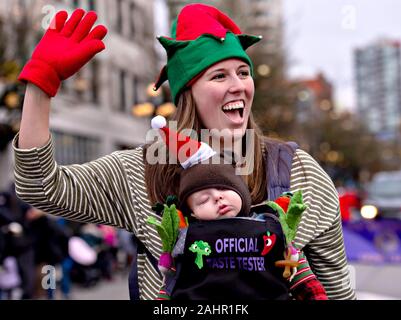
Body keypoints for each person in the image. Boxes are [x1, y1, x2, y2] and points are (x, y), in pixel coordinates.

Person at [13, 4, 355, 299]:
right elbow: (40, 186)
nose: (238, 85)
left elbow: (337, 288)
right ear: (188, 94)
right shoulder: (142, 171)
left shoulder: (299, 172)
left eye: (243, 72)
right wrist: (41, 85)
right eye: (219, 75)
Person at [148, 122, 327, 300]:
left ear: (241, 191)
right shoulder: (186, 238)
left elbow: (301, 276)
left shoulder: (271, 226)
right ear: (192, 213)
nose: (217, 198)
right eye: (203, 200)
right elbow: (170, 285)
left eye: (223, 188)